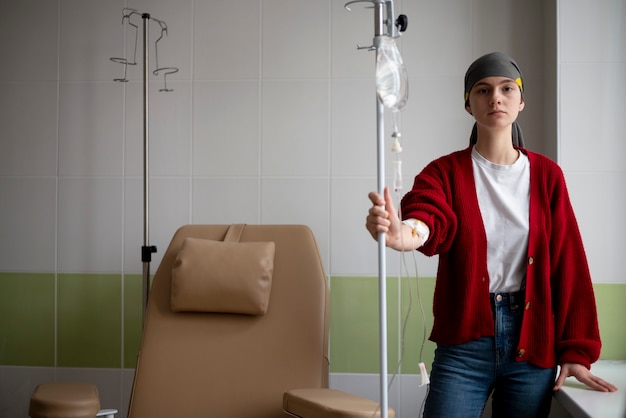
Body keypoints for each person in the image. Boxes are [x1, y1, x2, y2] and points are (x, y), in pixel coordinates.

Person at [365, 51, 617, 418]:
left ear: (520, 101)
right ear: (469, 105)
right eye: (482, 90)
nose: (495, 98)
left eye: (505, 89)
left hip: (533, 344)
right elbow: (427, 216)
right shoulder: (444, 172)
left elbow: (570, 264)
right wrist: (402, 234)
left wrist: (576, 353)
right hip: (463, 345)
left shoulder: (548, 176)